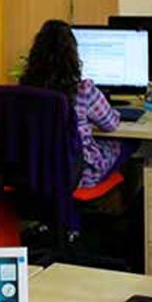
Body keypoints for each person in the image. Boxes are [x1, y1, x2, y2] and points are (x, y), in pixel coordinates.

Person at [20, 19, 125, 189]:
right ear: (73, 56)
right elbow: (111, 125)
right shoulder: (83, 90)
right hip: (78, 175)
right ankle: (132, 203)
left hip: (34, 173)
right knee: (129, 144)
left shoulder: (24, 91)